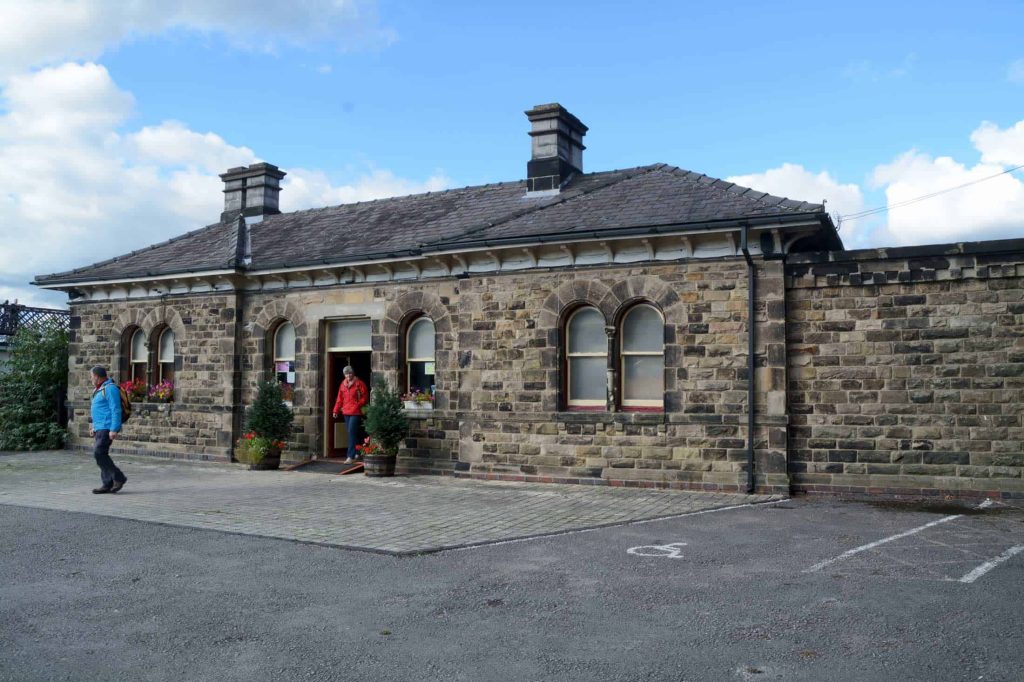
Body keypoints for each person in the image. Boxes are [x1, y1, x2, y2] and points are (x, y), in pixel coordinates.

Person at [89, 366, 127, 494]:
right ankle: (107, 484)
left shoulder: (110, 389)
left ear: (97, 376)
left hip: (107, 427)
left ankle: (119, 477)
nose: (91, 379)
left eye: (91, 376)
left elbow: (115, 409)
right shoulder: (98, 390)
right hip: (100, 427)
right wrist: (94, 426)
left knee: (99, 453)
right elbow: (99, 410)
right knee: (101, 455)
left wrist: (114, 429)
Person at [332, 365, 369, 463]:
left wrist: (357, 404)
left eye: (350, 373)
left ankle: (350, 456)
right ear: (344, 375)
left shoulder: (359, 384)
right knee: (353, 433)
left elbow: (365, 398)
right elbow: (339, 399)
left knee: (352, 432)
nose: (348, 376)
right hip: (346, 411)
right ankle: (358, 452)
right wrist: (335, 410)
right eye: (346, 374)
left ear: (353, 373)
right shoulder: (343, 384)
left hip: (356, 412)